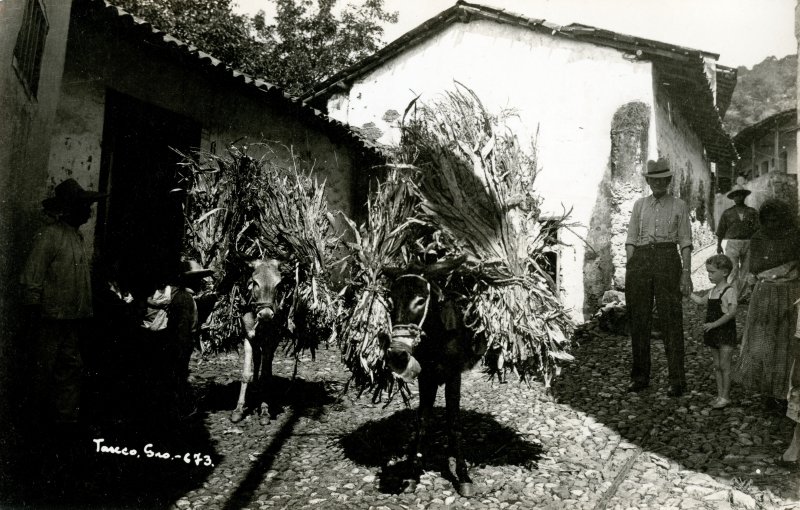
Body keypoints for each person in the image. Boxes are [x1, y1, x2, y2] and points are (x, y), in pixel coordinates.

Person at [20, 178, 107, 434]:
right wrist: (33, 313)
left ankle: (64, 422)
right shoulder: (50, 236)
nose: (89, 211)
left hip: (70, 319)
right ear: (70, 208)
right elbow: (31, 277)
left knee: (70, 368)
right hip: (50, 319)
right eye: (84, 206)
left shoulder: (76, 238)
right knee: (42, 370)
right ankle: (32, 424)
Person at [624, 157, 692, 397]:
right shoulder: (639, 205)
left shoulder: (679, 205)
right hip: (641, 260)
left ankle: (677, 380)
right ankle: (640, 376)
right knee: (639, 319)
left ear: (668, 181)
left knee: (671, 320)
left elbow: (685, 241)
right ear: (649, 181)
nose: (658, 184)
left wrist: (686, 273)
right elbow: (630, 238)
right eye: (653, 180)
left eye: (662, 180)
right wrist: (632, 263)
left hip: (667, 258)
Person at [735, 198, 800, 407]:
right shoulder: (758, 238)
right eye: (768, 220)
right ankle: (766, 391)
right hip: (764, 295)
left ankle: (783, 392)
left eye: (776, 220)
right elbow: (754, 269)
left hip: (790, 295)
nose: (772, 224)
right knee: (763, 343)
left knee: (786, 344)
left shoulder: (795, 237)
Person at [165, 259, 214, 419]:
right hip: (180, 346)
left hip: (176, 345)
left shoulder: (179, 296)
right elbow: (183, 330)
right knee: (179, 377)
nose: (201, 282)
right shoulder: (185, 299)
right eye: (198, 279)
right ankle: (179, 411)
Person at [689, 254, 738, 409]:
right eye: (708, 272)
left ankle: (725, 396)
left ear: (724, 272)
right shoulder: (712, 291)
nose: (709, 275)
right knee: (717, 365)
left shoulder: (729, 291)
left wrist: (714, 324)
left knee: (725, 365)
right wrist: (686, 292)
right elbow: (699, 301)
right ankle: (719, 395)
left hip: (724, 331)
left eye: (712, 272)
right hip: (713, 332)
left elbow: (731, 313)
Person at [715, 182, 758, 301]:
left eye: (740, 195)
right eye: (736, 195)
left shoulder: (752, 212)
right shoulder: (727, 213)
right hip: (732, 243)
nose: (738, 198)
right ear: (733, 198)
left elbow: (757, 229)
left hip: (748, 243)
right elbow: (721, 230)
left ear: (744, 196)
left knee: (746, 270)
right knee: (732, 270)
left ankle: (739, 296)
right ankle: (732, 295)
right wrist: (719, 245)